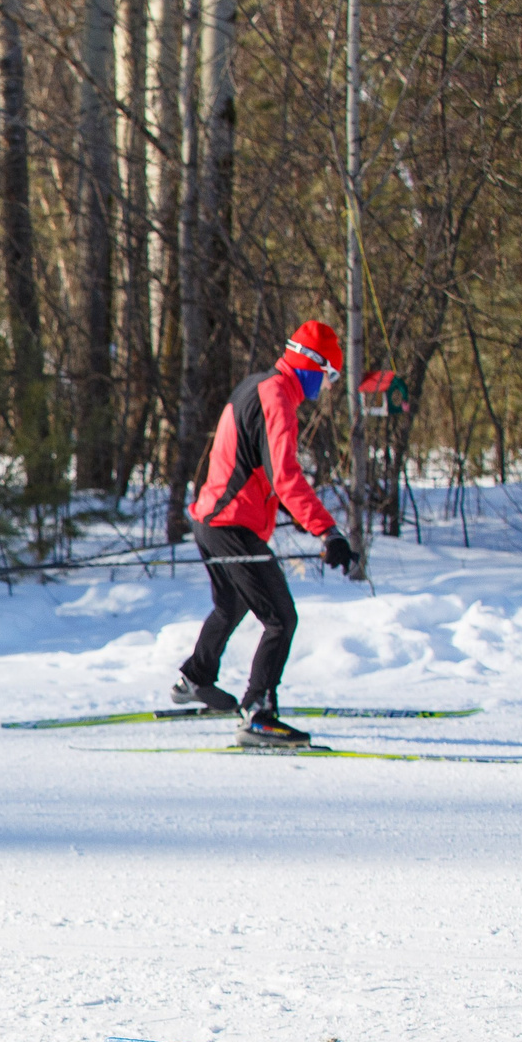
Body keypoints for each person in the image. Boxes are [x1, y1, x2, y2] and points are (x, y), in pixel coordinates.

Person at [174, 319, 361, 747]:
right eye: (330, 375)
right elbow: (286, 476)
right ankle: (258, 713)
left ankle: (195, 678)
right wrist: (328, 531)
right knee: (281, 619)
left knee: (231, 605)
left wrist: (303, 518)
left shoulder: (257, 385)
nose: (328, 386)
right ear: (313, 366)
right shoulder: (277, 398)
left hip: (212, 519)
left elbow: (259, 469)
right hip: (231, 524)